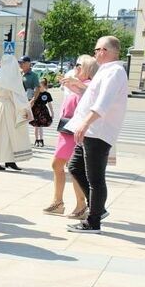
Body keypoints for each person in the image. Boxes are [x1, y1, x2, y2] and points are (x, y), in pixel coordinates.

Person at [67, 35, 130, 234]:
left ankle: (93, 221)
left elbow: (103, 102)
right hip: (89, 130)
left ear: (105, 50)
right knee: (75, 167)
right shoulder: (106, 71)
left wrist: (85, 124)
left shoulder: (115, 72)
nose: (95, 53)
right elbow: (92, 97)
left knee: (95, 178)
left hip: (98, 131)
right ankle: (98, 208)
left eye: (97, 50)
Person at [44, 55, 96, 217]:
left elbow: (89, 97)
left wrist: (76, 84)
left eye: (79, 65)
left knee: (72, 168)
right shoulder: (79, 84)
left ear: (88, 69)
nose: (76, 67)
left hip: (74, 131)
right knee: (61, 166)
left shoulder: (88, 85)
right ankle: (58, 201)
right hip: (67, 129)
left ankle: (79, 204)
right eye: (76, 64)